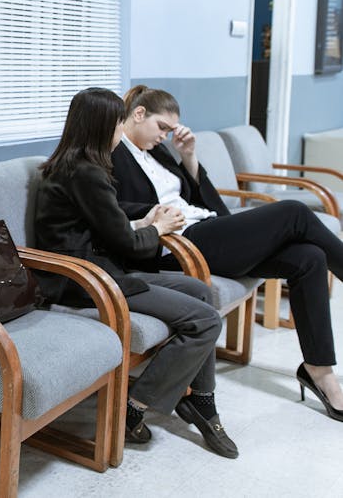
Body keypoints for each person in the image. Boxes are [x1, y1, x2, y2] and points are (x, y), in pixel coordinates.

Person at [113, 84, 343, 422]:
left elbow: (200, 199)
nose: (164, 136)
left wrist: (188, 156)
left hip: (206, 229)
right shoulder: (113, 151)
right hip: (180, 243)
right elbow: (111, 210)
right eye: (161, 127)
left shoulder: (159, 151)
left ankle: (319, 371)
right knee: (294, 212)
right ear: (138, 114)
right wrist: (157, 215)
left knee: (310, 258)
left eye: (169, 130)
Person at [35, 88, 239, 458]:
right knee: (206, 321)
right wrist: (157, 230)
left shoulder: (76, 166)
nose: (120, 129)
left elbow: (105, 222)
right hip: (88, 280)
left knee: (200, 291)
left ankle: (201, 400)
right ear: (102, 126)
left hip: (100, 270)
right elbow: (127, 244)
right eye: (116, 123)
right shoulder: (86, 173)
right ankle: (135, 406)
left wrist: (145, 220)